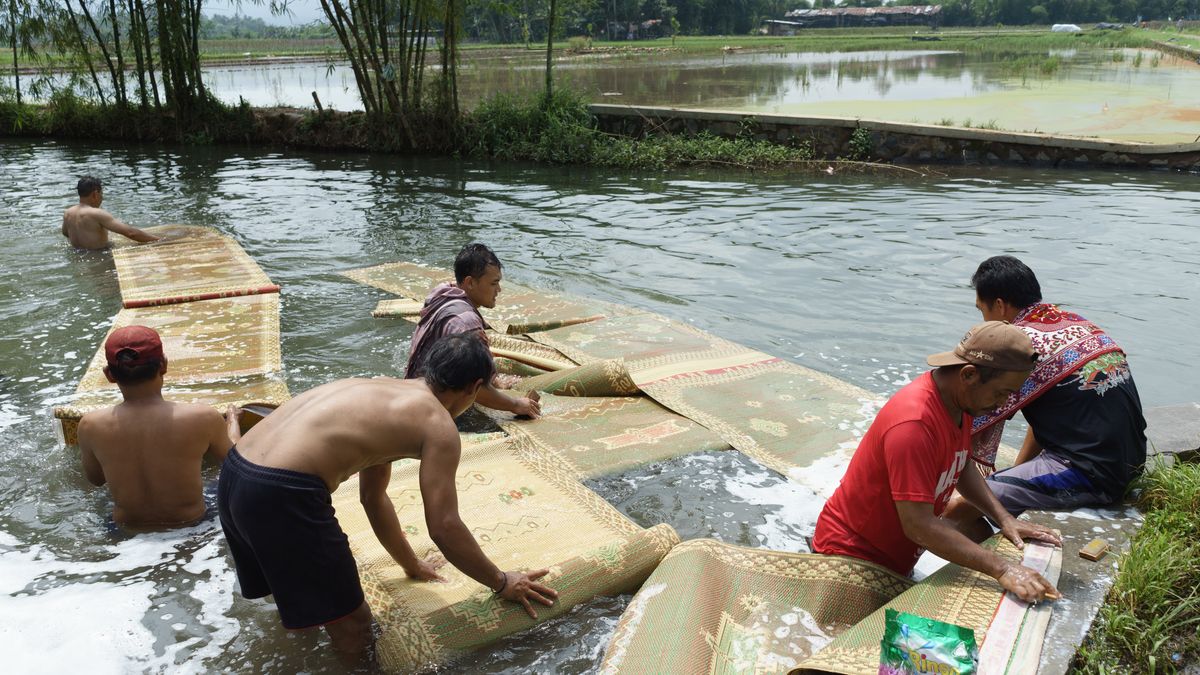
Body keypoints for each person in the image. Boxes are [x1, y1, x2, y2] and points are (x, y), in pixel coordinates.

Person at [218, 334, 558, 661]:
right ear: (474, 388)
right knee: (356, 626)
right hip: (281, 493)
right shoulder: (438, 426)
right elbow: (444, 527)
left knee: (298, 604)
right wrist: (501, 582)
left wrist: (412, 565)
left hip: (235, 473)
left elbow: (373, 496)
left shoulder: (387, 388)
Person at [813, 321, 1062, 604]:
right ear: (969, 375)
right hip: (850, 557)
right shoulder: (914, 424)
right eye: (1000, 393)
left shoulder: (959, 401)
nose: (1003, 404)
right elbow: (918, 525)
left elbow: (961, 461)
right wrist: (1002, 568)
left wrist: (1004, 518)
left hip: (898, 554)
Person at [944, 256, 1147, 536]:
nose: (983, 321)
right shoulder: (1078, 324)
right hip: (1128, 464)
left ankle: (995, 566)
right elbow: (1047, 418)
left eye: (982, 311)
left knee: (955, 511)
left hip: (1089, 473)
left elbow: (961, 423)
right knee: (995, 492)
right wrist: (1016, 475)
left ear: (1000, 305)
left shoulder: (1020, 346)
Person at [78, 325, 238, 527]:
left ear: (109, 374)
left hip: (126, 531)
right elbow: (236, 466)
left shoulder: (90, 425)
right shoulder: (202, 417)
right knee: (219, 481)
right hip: (193, 528)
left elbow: (96, 479)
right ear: (163, 365)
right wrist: (232, 420)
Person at [404, 242, 541, 418]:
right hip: (429, 408)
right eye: (494, 283)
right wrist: (515, 404)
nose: (498, 290)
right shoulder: (466, 322)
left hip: (413, 387)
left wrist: (496, 382)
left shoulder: (443, 293)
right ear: (469, 282)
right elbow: (473, 388)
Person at [62, 176, 160, 250]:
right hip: (100, 258)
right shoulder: (96, 213)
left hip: (79, 259)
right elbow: (131, 233)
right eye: (102, 194)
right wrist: (159, 240)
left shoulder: (68, 213)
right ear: (95, 194)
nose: (102, 198)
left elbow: (66, 233)